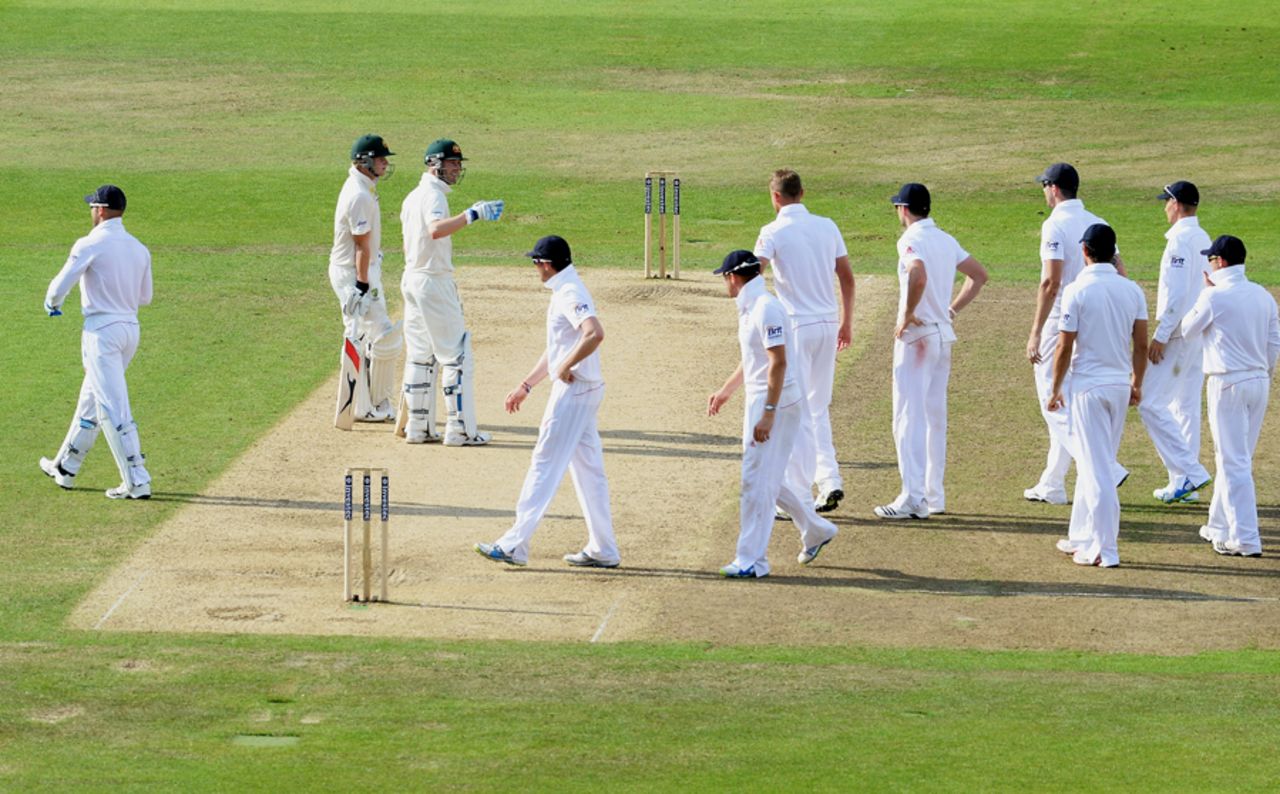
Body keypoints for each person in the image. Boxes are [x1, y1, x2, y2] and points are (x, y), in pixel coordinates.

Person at [475, 236, 620, 568]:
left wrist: (567, 366)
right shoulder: (565, 288)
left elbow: (594, 333)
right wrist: (527, 385)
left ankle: (514, 545)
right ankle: (604, 548)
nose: (535, 270)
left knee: (544, 463)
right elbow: (558, 348)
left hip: (574, 392)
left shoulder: (569, 292)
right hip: (585, 390)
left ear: (545, 264)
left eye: (535, 263)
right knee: (590, 473)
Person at [707, 250, 839, 578]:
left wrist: (768, 412)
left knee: (755, 480)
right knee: (768, 477)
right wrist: (726, 391)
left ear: (733, 277)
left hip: (774, 401)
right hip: (766, 398)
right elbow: (754, 359)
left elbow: (778, 362)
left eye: (725, 277)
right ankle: (815, 529)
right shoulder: (751, 306)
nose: (725, 283)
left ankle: (751, 560)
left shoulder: (766, 308)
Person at [873, 184, 988, 520]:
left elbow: (918, 274)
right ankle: (932, 496)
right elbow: (979, 276)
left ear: (904, 209)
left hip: (917, 338)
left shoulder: (910, 239)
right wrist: (950, 310)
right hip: (941, 336)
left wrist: (908, 313)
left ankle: (912, 497)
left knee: (907, 418)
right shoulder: (945, 239)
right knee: (934, 419)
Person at [40, 185, 154, 499]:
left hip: (101, 333)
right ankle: (65, 466)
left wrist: (52, 303)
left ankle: (137, 480)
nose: (91, 211)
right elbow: (145, 297)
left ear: (101, 210)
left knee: (113, 408)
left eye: (92, 206)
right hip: (130, 330)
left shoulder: (90, 243)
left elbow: (60, 285)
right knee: (90, 399)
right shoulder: (139, 248)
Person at [1024, 163, 1128, 505]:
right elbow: (1120, 272)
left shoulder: (1054, 224)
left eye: (1044, 186)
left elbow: (1050, 282)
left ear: (1054, 188)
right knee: (1067, 399)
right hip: (1095, 317)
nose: (1044, 192)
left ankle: (1105, 467)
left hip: (1061, 318)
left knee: (1051, 400)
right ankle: (1053, 483)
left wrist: (1035, 332)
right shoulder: (1098, 221)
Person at [753, 169, 855, 513]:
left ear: (775, 197)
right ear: (802, 192)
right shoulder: (827, 225)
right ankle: (829, 480)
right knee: (817, 407)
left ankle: (797, 493)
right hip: (827, 323)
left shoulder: (772, 231)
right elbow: (847, 278)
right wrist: (846, 322)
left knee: (796, 409)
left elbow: (755, 272)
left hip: (796, 326)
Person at [1047, 224, 1147, 568]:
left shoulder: (1077, 290)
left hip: (1088, 389)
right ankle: (1082, 536)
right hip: (1118, 387)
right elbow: (1141, 345)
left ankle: (1105, 548)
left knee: (1097, 469)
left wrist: (1055, 388)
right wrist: (1136, 383)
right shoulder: (1132, 290)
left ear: (1085, 252)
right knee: (1095, 463)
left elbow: (1064, 346)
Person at [398, 138, 504, 446]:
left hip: (412, 278)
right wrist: (472, 214)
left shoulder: (412, 197)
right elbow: (435, 229)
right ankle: (459, 430)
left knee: (420, 356)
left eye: (458, 164)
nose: (457, 168)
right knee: (456, 356)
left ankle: (418, 427)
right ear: (435, 165)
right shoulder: (432, 195)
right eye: (451, 163)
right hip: (433, 281)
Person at [1180, 235, 1280, 557]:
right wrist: (1263, 376)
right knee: (1235, 458)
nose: (1209, 264)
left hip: (1228, 383)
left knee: (1233, 462)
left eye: (1211, 259)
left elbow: (1186, 330)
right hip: (1258, 380)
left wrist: (1205, 293)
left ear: (1220, 262)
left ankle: (1246, 539)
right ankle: (1218, 525)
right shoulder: (1263, 296)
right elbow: (1273, 345)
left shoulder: (1213, 296)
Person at [1139, 180, 1213, 503]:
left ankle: (1190, 472)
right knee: (1184, 405)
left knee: (1149, 402)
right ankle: (1183, 484)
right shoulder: (1202, 236)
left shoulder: (1180, 240)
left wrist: (1161, 334)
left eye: (1167, 202)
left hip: (1179, 333)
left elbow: (1177, 294)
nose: (1164, 207)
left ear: (1178, 204)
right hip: (1198, 331)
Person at [329, 134, 402, 425]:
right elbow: (360, 244)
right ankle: (361, 406)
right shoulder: (359, 194)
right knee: (366, 333)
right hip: (353, 272)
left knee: (375, 334)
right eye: (380, 158)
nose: (385, 163)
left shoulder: (363, 187)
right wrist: (361, 285)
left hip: (362, 269)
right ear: (365, 161)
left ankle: (372, 401)